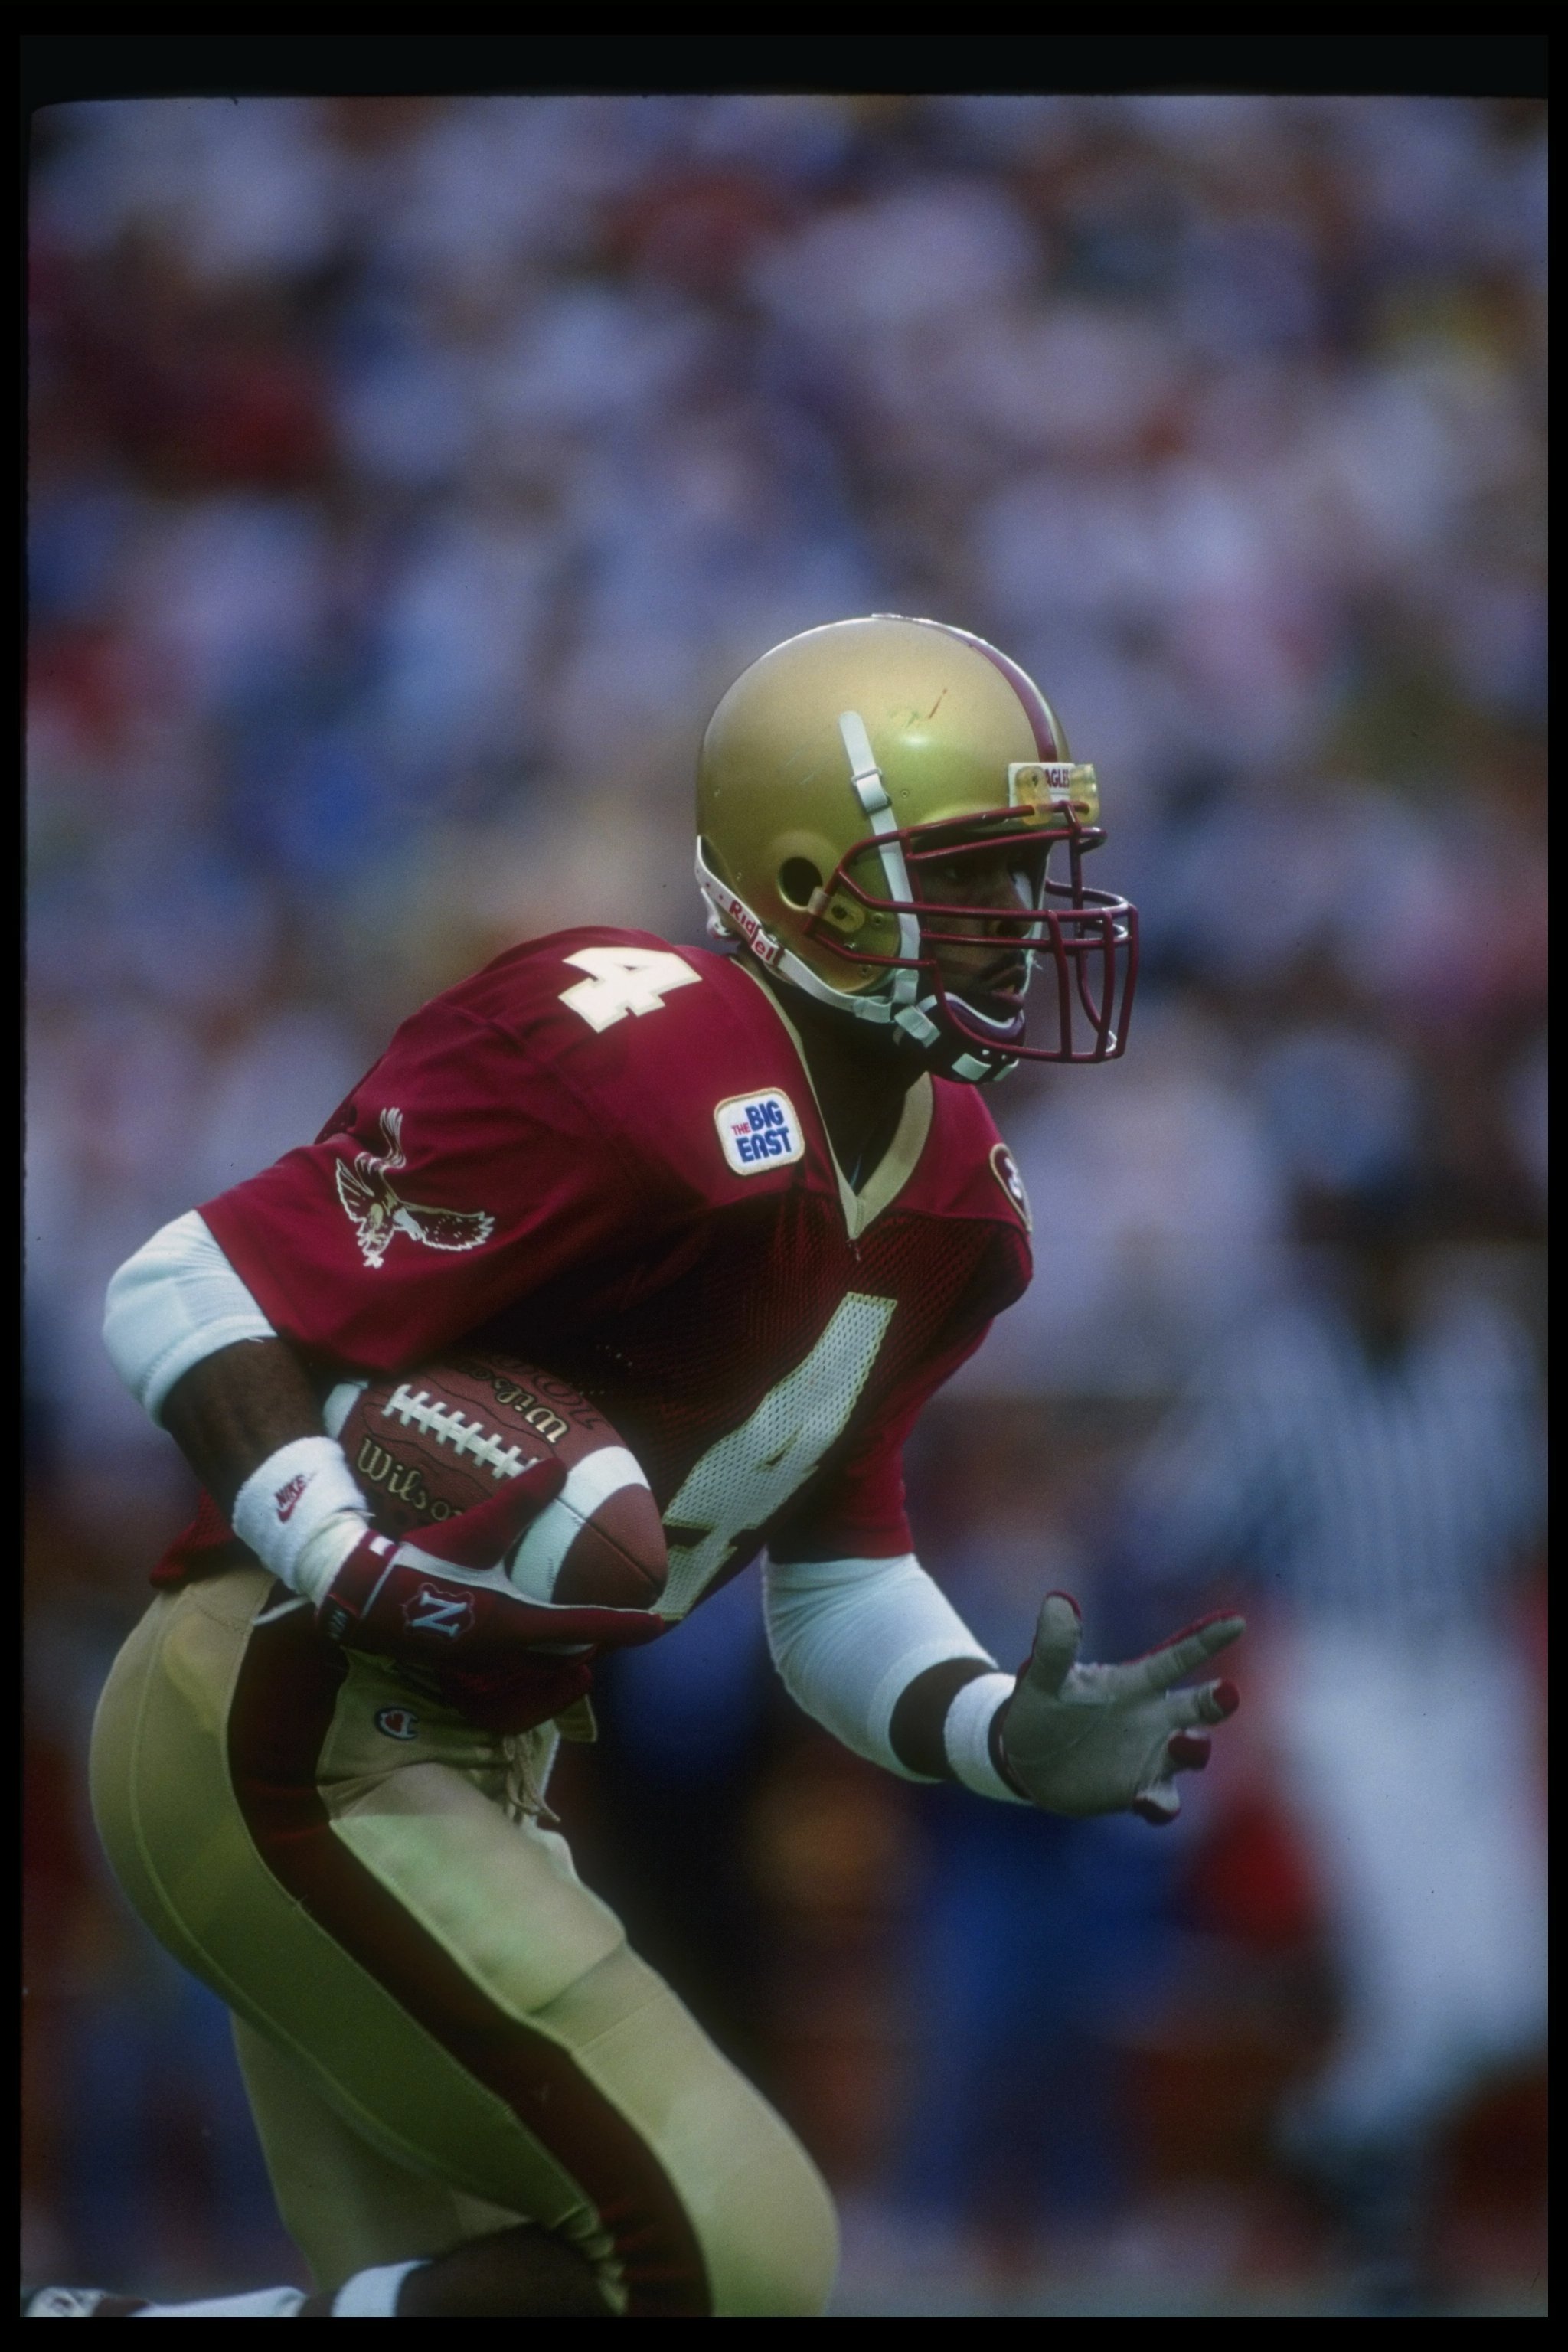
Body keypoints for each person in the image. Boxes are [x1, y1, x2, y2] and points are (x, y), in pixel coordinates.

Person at [31, 616, 1244, 2320]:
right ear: (812, 885)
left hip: (471, 1762)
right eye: (974, 876)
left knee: (530, 2290)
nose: (1024, 924)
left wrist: (984, 1728)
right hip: (285, 1709)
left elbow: (828, 1572)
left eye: (1035, 870)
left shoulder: (961, 1194)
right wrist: (334, 1544)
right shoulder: (637, 1046)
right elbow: (188, 1284)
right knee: (735, 2245)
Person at [1125, 1188, 1547, 2313]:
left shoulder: (1480, 1356)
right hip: (1347, 1674)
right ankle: (1386, 2249)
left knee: (1507, 1990)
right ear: (1347, 1270)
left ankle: (1319, 2136)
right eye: (1380, 1265)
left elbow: (1521, 1517)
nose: (1399, 1288)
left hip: (1466, 1668)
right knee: (1408, 1977)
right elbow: (1172, 1517)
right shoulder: (1282, 1369)